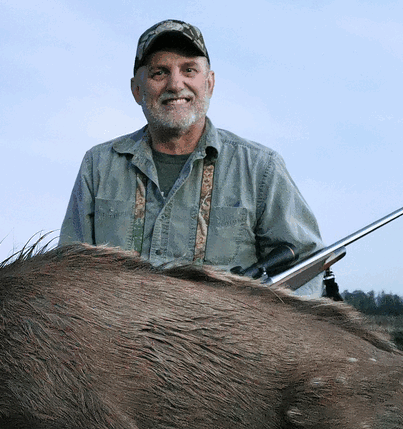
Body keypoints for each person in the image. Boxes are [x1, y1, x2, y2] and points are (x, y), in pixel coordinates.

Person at [59, 19, 325, 296]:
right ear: (137, 90)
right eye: (159, 73)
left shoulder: (261, 168)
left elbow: (308, 264)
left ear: (209, 83)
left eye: (189, 70)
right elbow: (69, 274)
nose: (175, 84)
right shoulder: (98, 165)